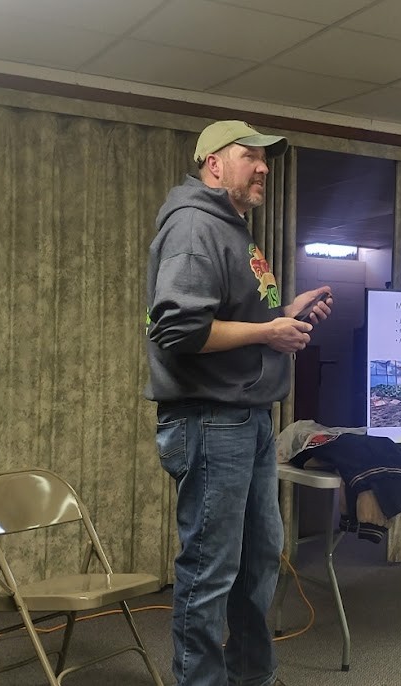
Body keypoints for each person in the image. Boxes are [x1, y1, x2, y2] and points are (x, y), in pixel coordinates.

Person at [145, 120, 332, 686]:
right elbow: (176, 329)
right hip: (211, 421)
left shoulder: (232, 229)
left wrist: (285, 315)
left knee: (258, 561)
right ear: (213, 164)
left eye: (264, 159)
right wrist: (268, 333)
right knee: (211, 569)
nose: (263, 167)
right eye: (250, 156)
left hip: (248, 419)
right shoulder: (194, 226)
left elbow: (235, 321)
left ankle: (252, 675)